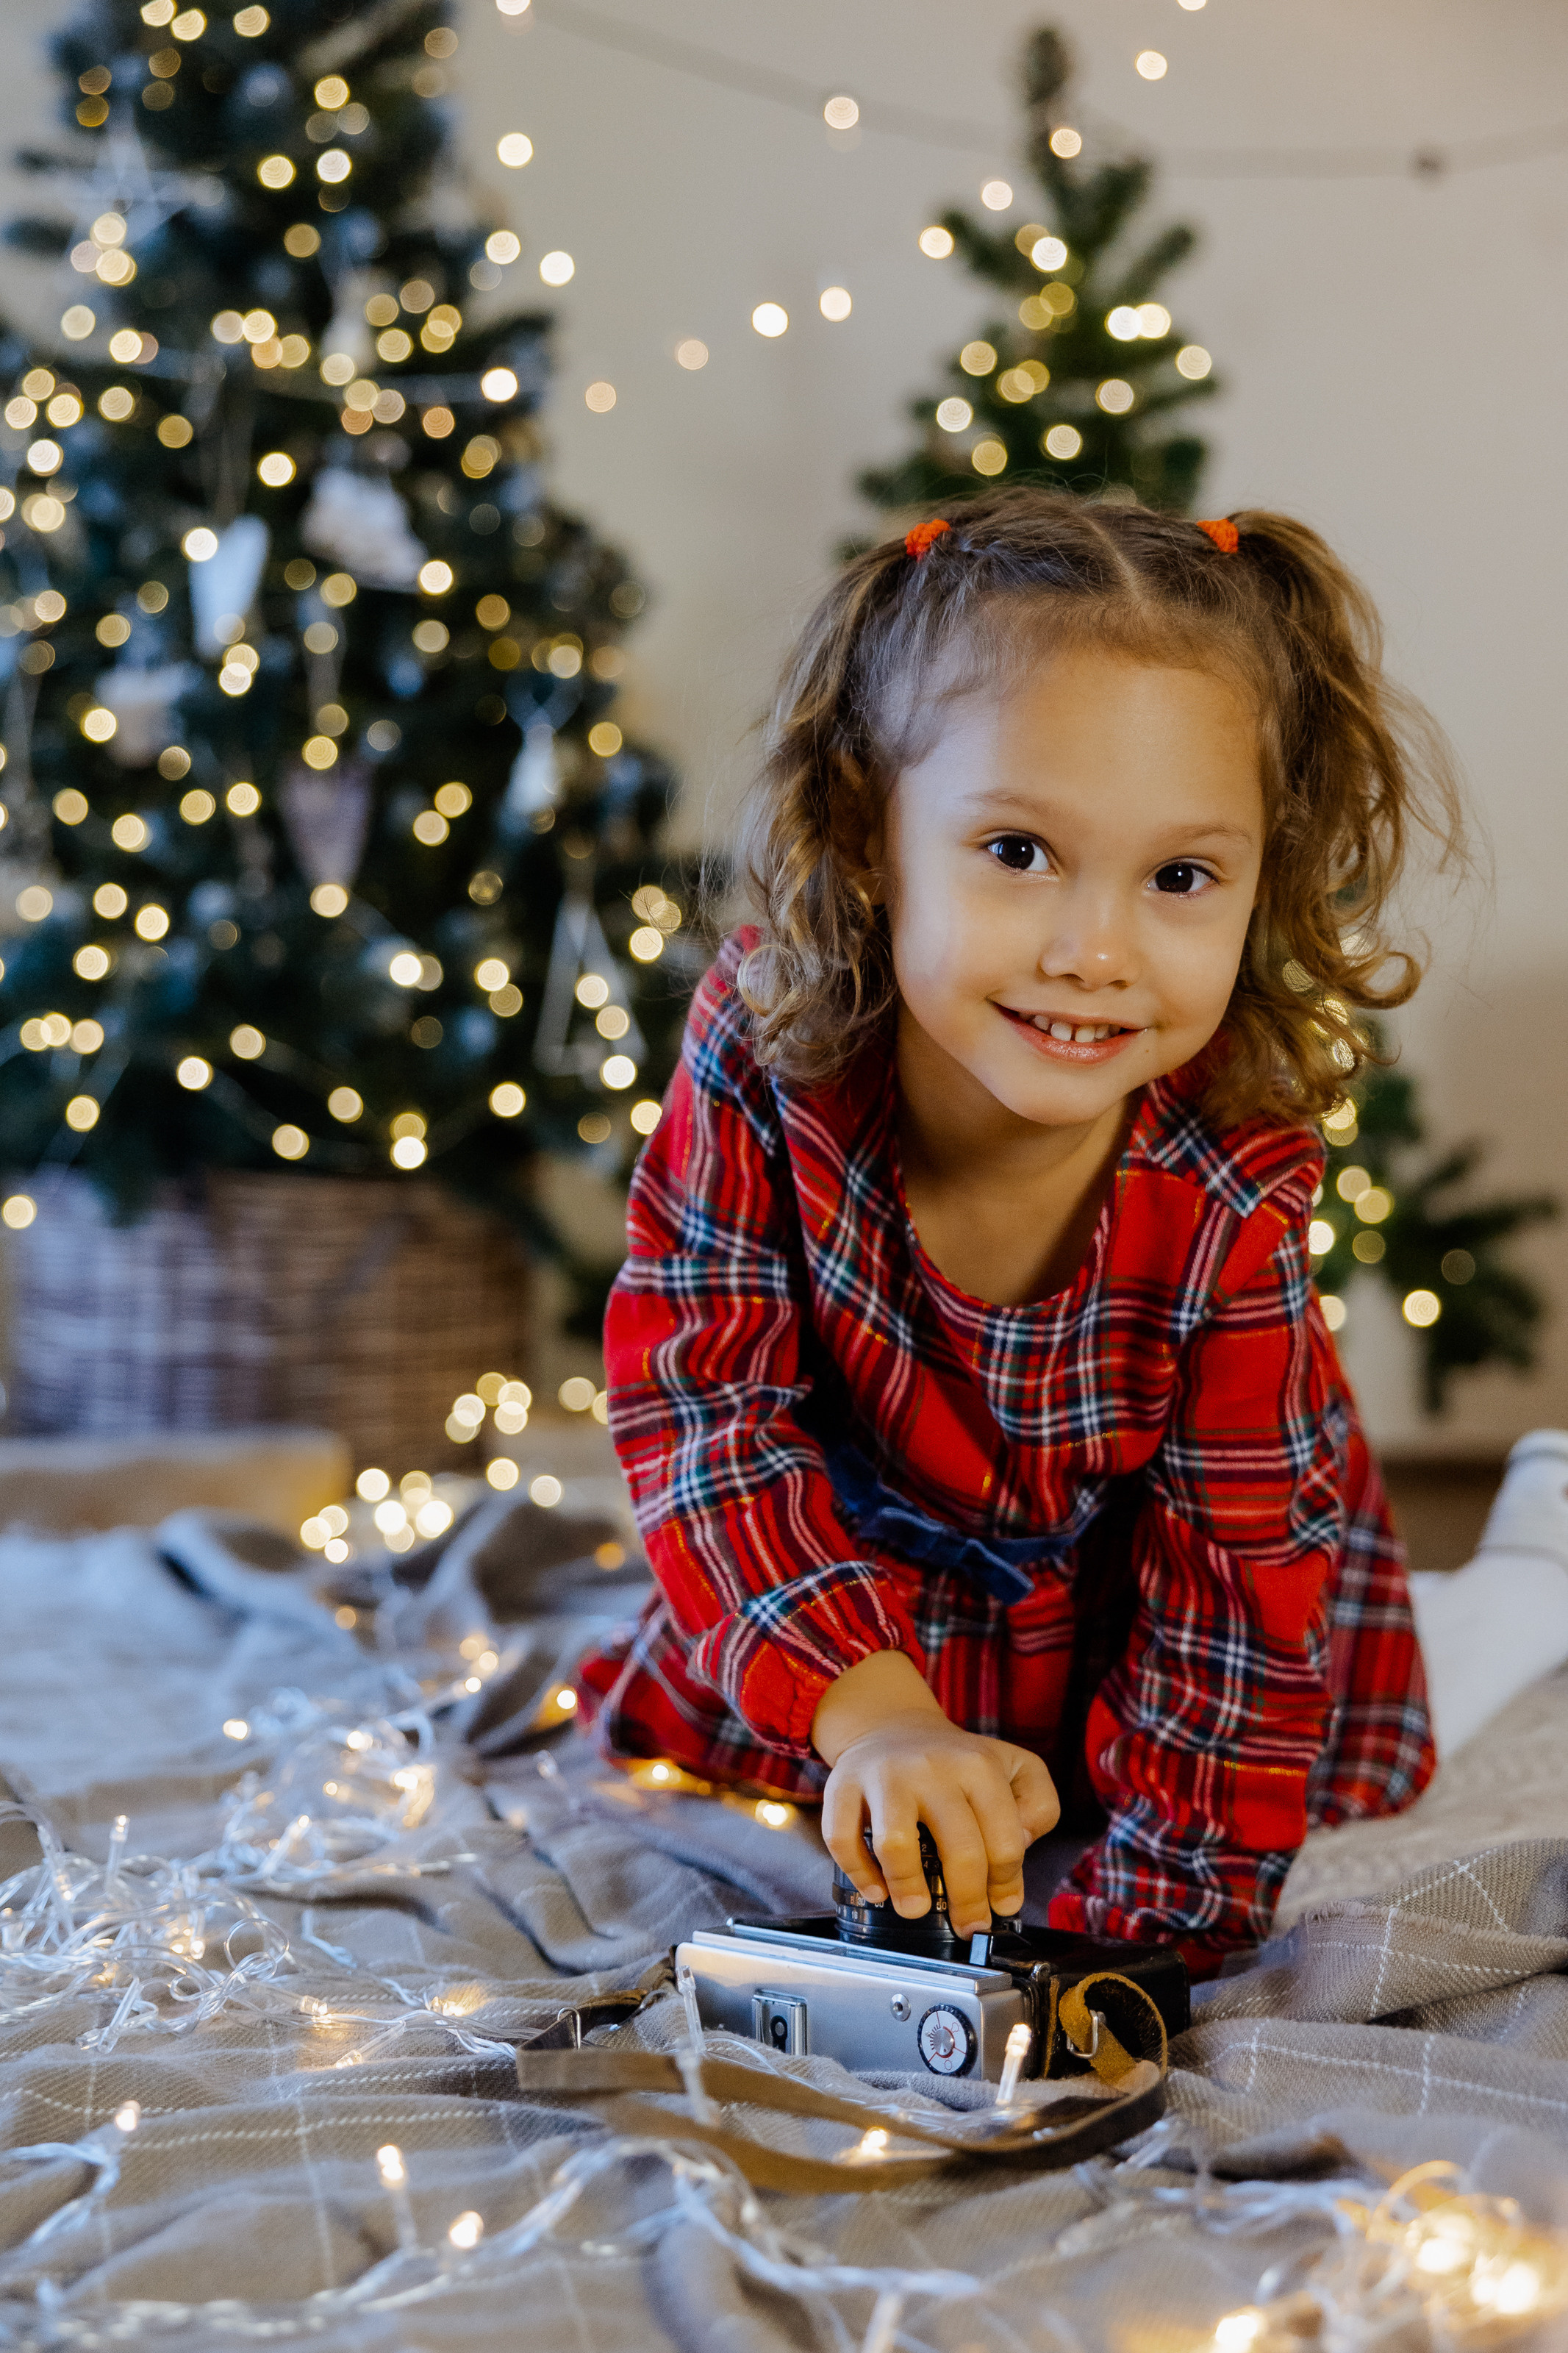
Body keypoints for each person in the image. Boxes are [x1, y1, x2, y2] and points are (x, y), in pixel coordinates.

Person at [579, 491, 1470, 1977]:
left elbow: (1234, 1586)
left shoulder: (1231, 1176)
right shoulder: (764, 1049)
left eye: (1179, 878)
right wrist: (877, 1718)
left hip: (1135, 1629)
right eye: (1016, 849)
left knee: (1326, 1745)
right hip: (857, 1604)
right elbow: (704, 1409)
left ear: (1264, 874)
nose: (1093, 952)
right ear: (866, 832)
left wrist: (1148, 1932)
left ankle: (1510, 1600)